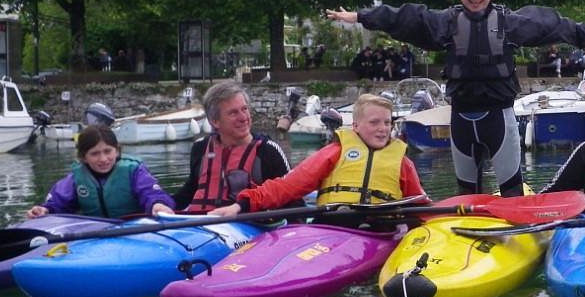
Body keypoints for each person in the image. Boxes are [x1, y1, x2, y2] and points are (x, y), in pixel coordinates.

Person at [327, 0, 585, 197]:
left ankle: (514, 228)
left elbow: (551, 24)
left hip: (499, 117)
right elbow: (403, 18)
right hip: (461, 118)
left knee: (510, 185)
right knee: (466, 188)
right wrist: (360, 17)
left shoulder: (510, 23)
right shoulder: (446, 23)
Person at [210, 94, 425, 219]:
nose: (383, 129)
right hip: (335, 226)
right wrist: (240, 206)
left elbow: (421, 206)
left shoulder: (402, 163)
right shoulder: (334, 152)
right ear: (356, 126)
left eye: (387, 123)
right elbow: (286, 187)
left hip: (382, 231)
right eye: (374, 122)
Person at [166, 79, 291, 214]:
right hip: (199, 224)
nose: (243, 117)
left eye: (244, 109)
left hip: (245, 226)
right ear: (215, 121)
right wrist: (162, 204)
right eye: (233, 113)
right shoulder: (200, 148)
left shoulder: (268, 151)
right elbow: (190, 191)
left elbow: (291, 199)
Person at [27, 124, 174, 219]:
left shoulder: (134, 171)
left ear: (117, 151)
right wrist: (44, 210)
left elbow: (151, 193)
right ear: (84, 157)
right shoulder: (76, 178)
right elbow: (57, 204)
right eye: (95, 153)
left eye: (107, 151)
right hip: (96, 234)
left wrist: (157, 204)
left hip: (136, 231)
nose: (103, 159)